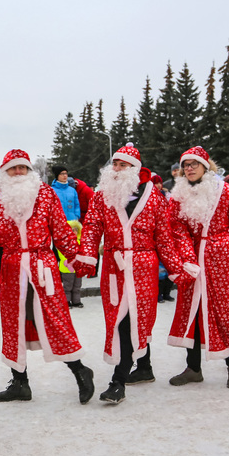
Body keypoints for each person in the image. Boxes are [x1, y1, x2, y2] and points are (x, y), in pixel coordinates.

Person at [75, 143, 191, 403]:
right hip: (114, 268)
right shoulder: (102, 195)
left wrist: (175, 268)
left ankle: (118, 382)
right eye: (114, 164)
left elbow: (163, 238)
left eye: (122, 165)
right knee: (119, 319)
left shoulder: (155, 198)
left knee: (133, 321)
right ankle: (145, 367)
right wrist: (87, 257)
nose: (116, 169)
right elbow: (92, 227)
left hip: (143, 266)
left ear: (135, 169)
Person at [0, 149, 95, 405]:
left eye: (22, 168)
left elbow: (62, 231)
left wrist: (76, 258)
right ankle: (20, 383)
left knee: (56, 321)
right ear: (4, 174)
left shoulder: (46, 194)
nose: (18, 172)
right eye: (12, 169)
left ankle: (80, 371)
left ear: (30, 171)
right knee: (13, 325)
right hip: (11, 268)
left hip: (43, 267)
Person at [167, 146, 229, 390]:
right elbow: (175, 227)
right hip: (191, 259)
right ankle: (193, 368)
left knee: (220, 310)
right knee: (192, 312)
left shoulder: (227, 192)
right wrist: (186, 256)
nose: (189, 168)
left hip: (219, 256)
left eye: (193, 164)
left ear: (205, 166)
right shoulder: (178, 194)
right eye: (185, 165)